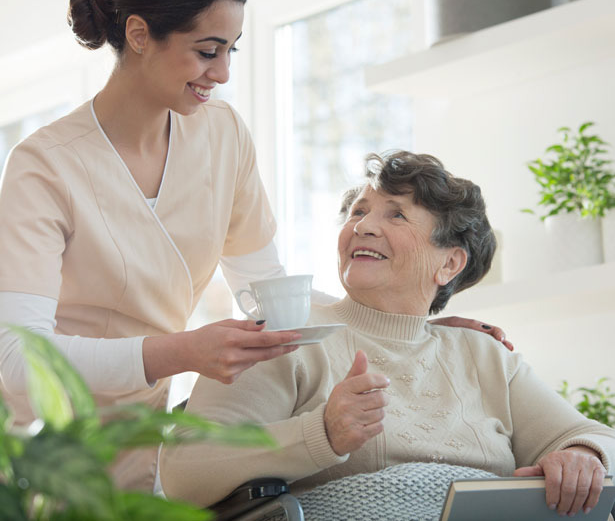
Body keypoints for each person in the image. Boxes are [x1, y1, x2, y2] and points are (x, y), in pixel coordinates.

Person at [0, 0, 508, 492]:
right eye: (207, 51)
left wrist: (402, 323)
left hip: (143, 437)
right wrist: (181, 352)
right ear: (138, 35)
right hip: (40, 449)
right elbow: (17, 359)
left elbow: (272, 295)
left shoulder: (221, 135)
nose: (221, 73)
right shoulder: (45, 166)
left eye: (231, 50)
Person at [161, 150, 615, 518]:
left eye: (395, 215)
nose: (363, 225)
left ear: (450, 263)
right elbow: (183, 473)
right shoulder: (283, 339)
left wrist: (581, 454)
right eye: (359, 212)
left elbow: (592, 436)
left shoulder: (486, 355)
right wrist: (321, 434)